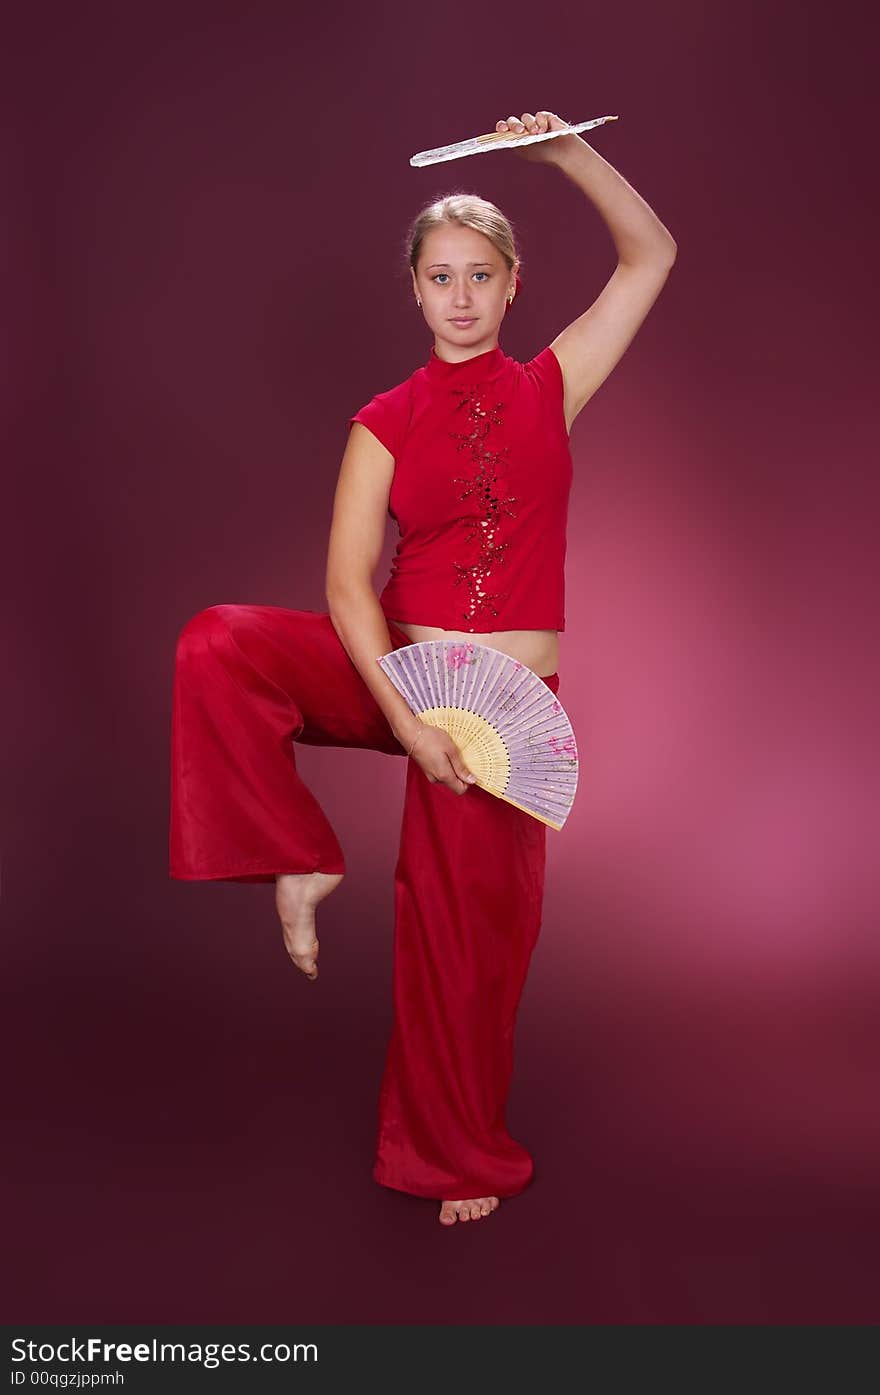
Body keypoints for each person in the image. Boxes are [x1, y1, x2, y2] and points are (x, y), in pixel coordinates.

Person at [169, 108, 677, 1227]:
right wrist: (405, 720)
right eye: (439, 276)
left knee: (468, 946)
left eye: (479, 276)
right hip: (401, 670)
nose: (459, 296)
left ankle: (453, 1155)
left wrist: (561, 154)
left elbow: (653, 256)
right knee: (217, 641)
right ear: (413, 288)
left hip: (506, 716)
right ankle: (293, 856)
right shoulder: (385, 420)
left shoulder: (554, 386)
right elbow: (348, 585)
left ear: (510, 285)